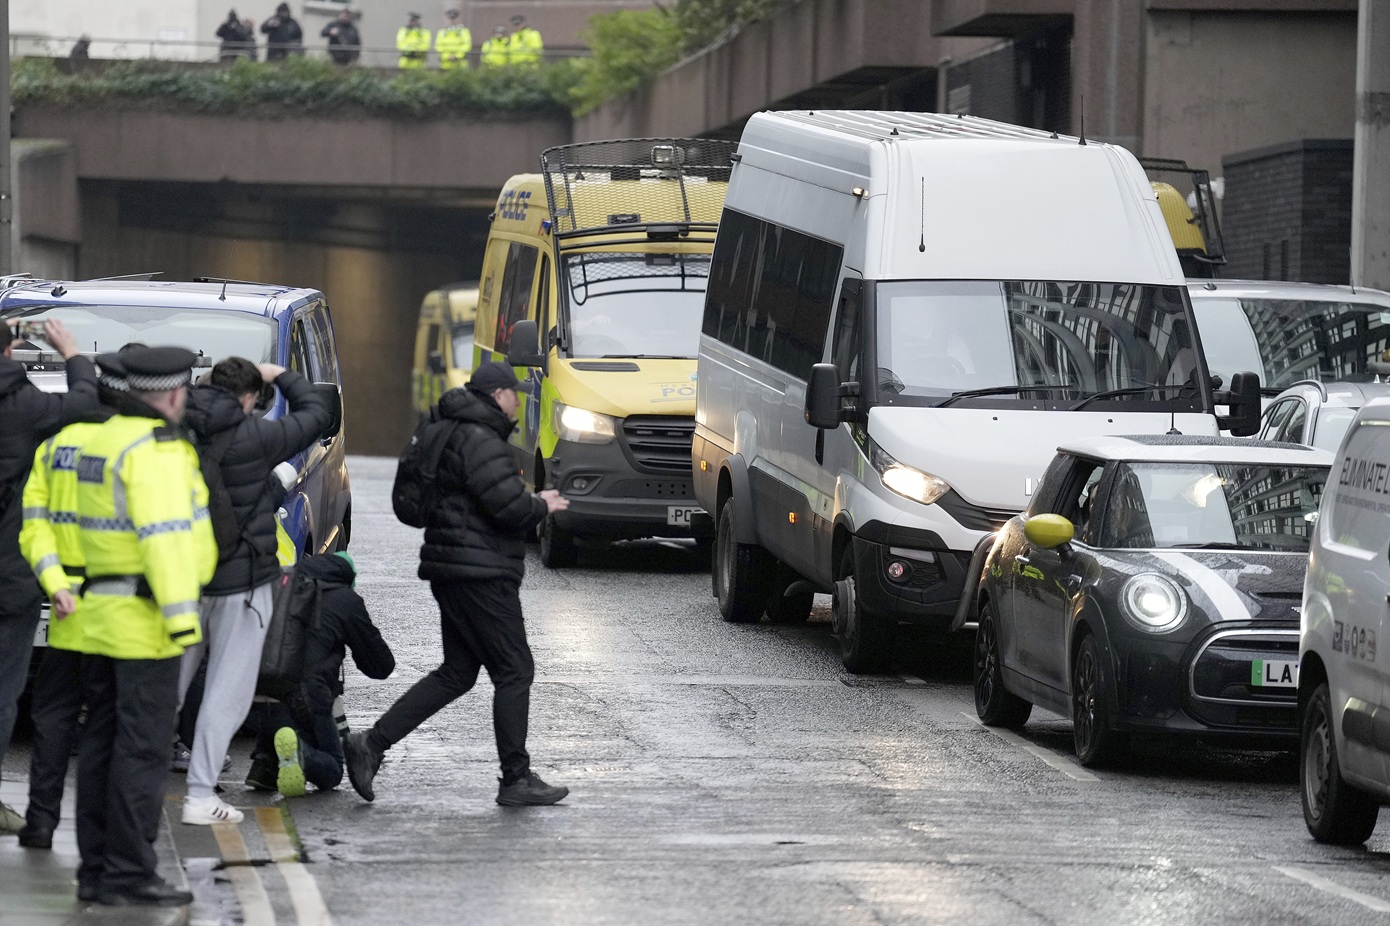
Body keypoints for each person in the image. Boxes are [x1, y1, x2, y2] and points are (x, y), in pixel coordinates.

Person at [343, 362, 571, 807]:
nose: (517, 402)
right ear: (498, 395)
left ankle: (370, 744)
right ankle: (516, 778)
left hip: (454, 569)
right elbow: (506, 507)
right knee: (514, 670)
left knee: (457, 673)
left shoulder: (451, 429)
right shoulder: (480, 439)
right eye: (514, 394)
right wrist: (540, 505)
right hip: (479, 574)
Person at [73, 346, 216, 906]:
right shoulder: (158, 450)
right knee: (143, 751)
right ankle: (130, 872)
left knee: (101, 744)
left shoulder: (99, 437)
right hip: (147, 619)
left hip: (97, 614)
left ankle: (96, 872)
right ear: (176, 394)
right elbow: (165, 540)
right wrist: (183, 623)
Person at [177, 356, 331, 826]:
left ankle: (133, 785)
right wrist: (280, 374)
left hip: (180, 579)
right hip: (241, 583)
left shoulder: (172, 428)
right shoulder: (255, 437)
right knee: (227, 690)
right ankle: (200, 795)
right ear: (249, 397)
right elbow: (317, 414)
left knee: (165, 687)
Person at [15, 352, 141, 850]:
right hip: (119, 609)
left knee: (53, 716)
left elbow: (34, 524)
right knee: (108, 723)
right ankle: (103, 834)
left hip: (65, 604)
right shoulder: (137, 448)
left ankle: (40, 822)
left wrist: (55, 583)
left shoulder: (55, 446)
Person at [0, 318, 98, 836]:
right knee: (4, 690)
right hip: (11, 578)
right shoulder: (26, 407)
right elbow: (80, 401)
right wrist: (72, 352)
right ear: (11, 349)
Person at [245, 552, 394, 797]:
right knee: (333, 770)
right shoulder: (345, 600)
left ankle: (264, 764)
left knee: (280, 719)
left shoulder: (280, 585)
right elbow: (381, 666)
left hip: (255, 694)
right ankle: (300, 753)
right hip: (306, 700)